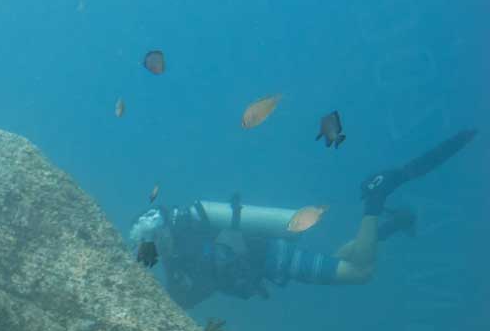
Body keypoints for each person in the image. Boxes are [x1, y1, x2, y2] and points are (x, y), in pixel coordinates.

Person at [130, 129, 477, 308]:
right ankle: (388, 226)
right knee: (341, 260)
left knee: (359, 273)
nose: (152, 257)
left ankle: (376, 198)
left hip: (275, 258)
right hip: (269, 255)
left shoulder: (184, 250)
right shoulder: (183, 242)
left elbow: (201, 286)